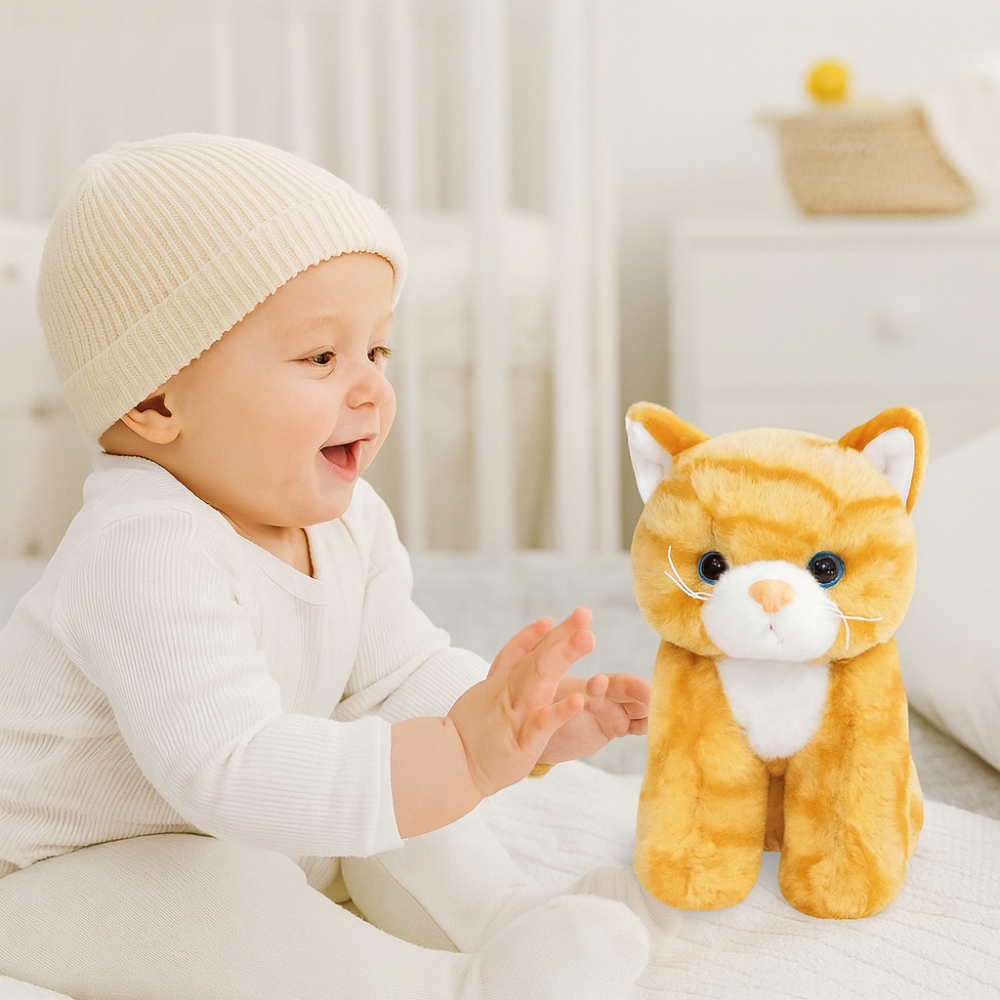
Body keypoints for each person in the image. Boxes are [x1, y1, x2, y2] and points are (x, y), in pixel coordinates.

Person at [0, 134, 661, 1000]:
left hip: (269, 820)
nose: (372, 389)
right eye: (322, 357)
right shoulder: (140, 553)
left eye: (377, 352)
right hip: (70, 873)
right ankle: (450, 986)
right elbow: (229, 769)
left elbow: (399, 675)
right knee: (228, 888)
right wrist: (454, 758)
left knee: (397, 761)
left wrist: (516, 725)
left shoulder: (349, 522)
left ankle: (507, 920)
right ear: (156, 401)